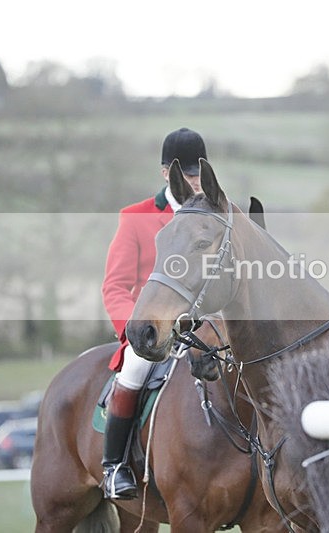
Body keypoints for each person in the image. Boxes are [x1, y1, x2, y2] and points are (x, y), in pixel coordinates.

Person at [100, 127, 207, 499]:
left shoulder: (214, 214)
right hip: (153, 329)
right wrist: (136, 332)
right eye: (187, 174)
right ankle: (114, 466)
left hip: (203, 327)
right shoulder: (136, 217)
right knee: (134, 368)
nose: (195, 181)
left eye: (199, 173)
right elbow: (115, 286)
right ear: (166, 173)